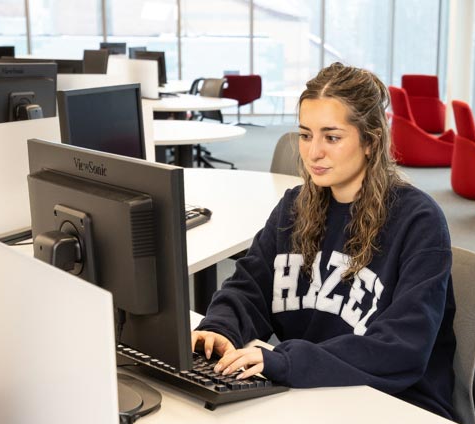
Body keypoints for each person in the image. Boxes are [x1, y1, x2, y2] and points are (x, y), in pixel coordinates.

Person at [191, 62, 456, 420]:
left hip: (397, 403)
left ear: (370, 141)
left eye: (331, 137)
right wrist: (220, 328)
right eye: (305, 134)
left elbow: (402, 349)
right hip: (310, 393)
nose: (313, 152)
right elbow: (250, 285)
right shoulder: (294, 207)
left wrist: (285, 361)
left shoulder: (418, 222)